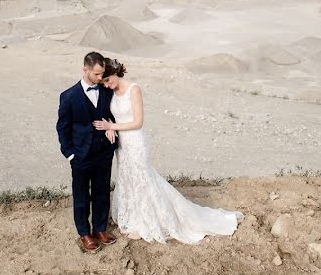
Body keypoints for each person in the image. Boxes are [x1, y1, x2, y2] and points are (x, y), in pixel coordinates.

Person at [93, 58, 242, 244]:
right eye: (103, 83)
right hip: (122, 144)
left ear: (114, 72)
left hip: (135, 141)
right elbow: (109, 116)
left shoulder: (134, 89)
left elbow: (138, 122)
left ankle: (145, 222)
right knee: (127, 177)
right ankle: (133, 216)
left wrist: (112, 125)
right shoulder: (112, 93)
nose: (106, 85)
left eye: (107, 80)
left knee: (142, 177)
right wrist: (109, 127)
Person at [56, 51, 119, 253]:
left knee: (102, 193)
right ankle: (84, 233)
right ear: (86, 70)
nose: (101, 78)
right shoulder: (68, 97)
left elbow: (114, 115)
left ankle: (100, 228)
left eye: (102, 74)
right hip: (80, 156)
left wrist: (111, 126)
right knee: (81, 196)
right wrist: (70, 154)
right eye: (97, 74)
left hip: (103, 153)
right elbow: (62, 128)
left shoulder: (106, 91)